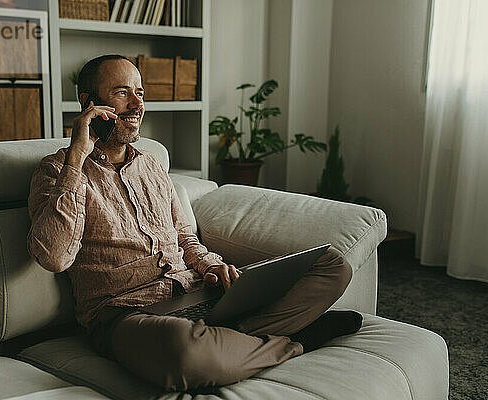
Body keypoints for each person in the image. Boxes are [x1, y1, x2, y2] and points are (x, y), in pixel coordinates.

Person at [27, 54, 363, 392]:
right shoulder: (58, 171)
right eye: (121, 92)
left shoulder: (153, 166)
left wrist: (212, 266)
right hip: (128, 316)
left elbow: (185, 237)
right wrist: (77, 156)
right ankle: (294, 340)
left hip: (197, 294)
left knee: (331, 264)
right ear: (89, 104)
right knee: (184, 351)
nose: (136, 104)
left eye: (140, 93)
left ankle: (233, 340)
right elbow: (54, 257)